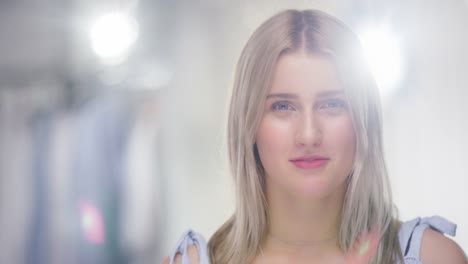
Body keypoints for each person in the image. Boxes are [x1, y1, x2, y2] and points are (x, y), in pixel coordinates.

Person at [161, 9, 467, 264]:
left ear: (363, 120)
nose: (308, 134)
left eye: (331, 104)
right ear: (249, 124)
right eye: (282, 106)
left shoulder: (434, 257)